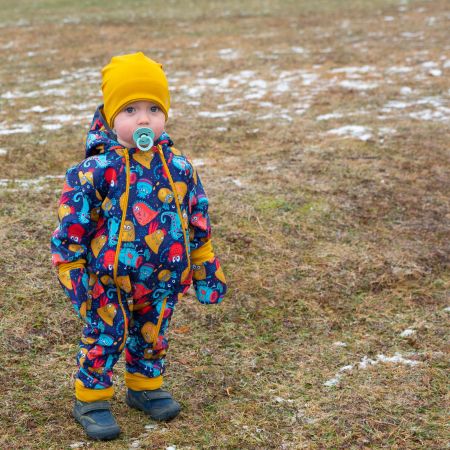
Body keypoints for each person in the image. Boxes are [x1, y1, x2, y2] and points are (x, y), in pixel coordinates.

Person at [51, 52, 227, 440]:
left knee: (153, 331)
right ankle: (92, 396)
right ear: (111, 117)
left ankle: (145, 387)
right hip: (107, 279)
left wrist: (204, 263)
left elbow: (196, 216)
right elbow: (73, 226)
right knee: (105, 333)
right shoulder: (96, 170)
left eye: (153, 108)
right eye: (130, 109)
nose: (144, 119)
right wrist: (72, 271)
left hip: (164, 274)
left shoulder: (179, 166)